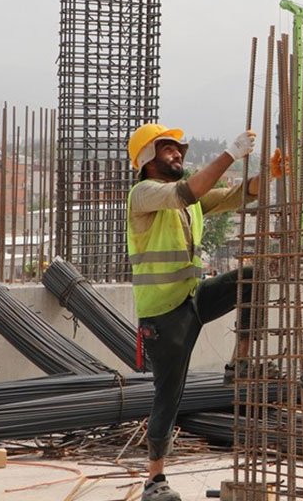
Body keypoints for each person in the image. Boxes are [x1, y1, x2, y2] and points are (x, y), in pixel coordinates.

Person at [125, 122, 265, 501]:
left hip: (192, 298)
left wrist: (266, 177)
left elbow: (234, 195)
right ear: (148, 158)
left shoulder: (188, 203)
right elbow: (190, 191)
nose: (177, 154)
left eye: (178, 149)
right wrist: (231, 154)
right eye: (167, 148)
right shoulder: (143, 194)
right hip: (163, 314)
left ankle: (241, 362)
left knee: (252, 278)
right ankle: (154, 480)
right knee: (168, 395)